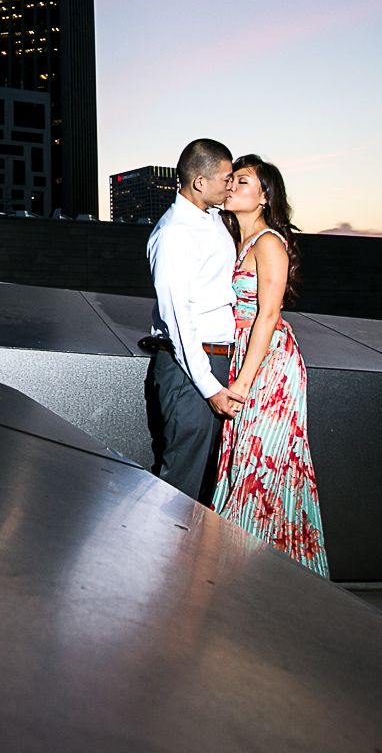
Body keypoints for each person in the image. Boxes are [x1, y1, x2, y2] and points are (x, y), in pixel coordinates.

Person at [211, 154, 329, 576]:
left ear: (264, 197)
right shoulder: (238, 241)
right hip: (247, 356)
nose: (231, 187)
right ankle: (271, 573)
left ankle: (244, 572)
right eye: (231, 180)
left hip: (270, 367)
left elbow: (268, 315)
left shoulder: (268, 242)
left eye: (241, 181)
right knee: (250, 461)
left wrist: (242, 381)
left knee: (262, 464)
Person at [145, 139, 249, 500]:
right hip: (191, 370)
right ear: (200, 182)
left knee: (205, 481)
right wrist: (210, 387)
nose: (231, 185)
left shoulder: (215, 219)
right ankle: (160, 556)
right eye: (226, 177)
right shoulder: (175, 233)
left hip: (215, 362)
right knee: (181, 484)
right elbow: (177, 320)